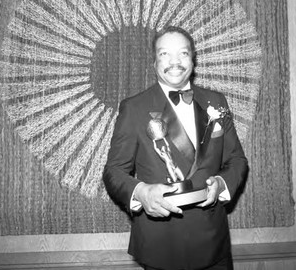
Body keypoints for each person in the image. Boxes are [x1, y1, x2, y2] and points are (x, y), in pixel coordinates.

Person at [103, 26, 248, 270]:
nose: (175, 62)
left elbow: (236, 160)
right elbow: (114, 171)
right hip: (161, 244)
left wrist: (222, 185)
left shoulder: (216, 102)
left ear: (193, 59)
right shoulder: (134, 108)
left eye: (183, 53)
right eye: (164, 54)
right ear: (154, 62)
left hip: (213, 243)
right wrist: (140, 192)